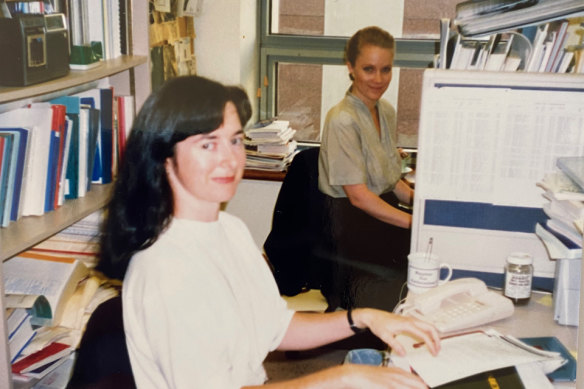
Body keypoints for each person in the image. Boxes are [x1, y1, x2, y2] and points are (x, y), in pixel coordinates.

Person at [97, 75, 439, 388]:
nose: (230, 160)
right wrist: (342, 377)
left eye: (234, 140)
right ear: (164, 157)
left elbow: (275, 327)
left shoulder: (229, 230)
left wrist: (363, 317)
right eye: (207, 144)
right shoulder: (164, 268)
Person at [318, 26, 414, 311]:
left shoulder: (385, 111)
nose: (378, 79)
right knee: (419, 251)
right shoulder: (342, 120)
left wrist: (421, 205)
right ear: (350, 67)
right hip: (349, 221)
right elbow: (359, 196)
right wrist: (412, 223)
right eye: (369, 69)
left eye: (386, 69)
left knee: (432, 241)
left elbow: (389, 178)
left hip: (377, 209)